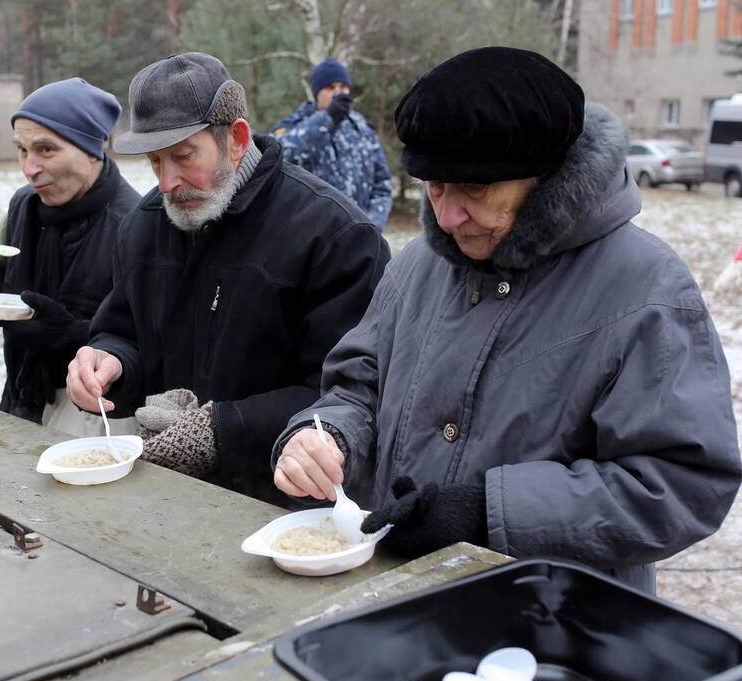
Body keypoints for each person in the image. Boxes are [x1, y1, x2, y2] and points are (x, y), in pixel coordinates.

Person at [272, 47, 742, 594]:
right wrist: (326, 435)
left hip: (554, 627)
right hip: (398, 598)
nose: (447, 217)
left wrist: (491, 512)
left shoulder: (648, 289)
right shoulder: (418, 267)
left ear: (547, 178)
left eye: (474, 188)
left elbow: (681, 484)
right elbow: (357, 387)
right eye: (435, 187)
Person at [67, 52, 388, 503]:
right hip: (167, 492)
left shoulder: (335, 235)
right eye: (155, 162)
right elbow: (125, 331)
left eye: (181, 156)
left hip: (285, 507)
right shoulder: (143, 226)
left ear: (236, 139)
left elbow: (348, 395)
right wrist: (108, 360)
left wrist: (223, 429)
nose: (166, 183)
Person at [0, 78, 140, 434]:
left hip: (99, 418)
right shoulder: (24, 207)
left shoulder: (135, 224)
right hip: (21, 398)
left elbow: (148, 341)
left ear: (93, 149)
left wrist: (72, 335)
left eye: (46, 150)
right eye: (22, 150)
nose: (29, 168)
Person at [272, 58, 394, 231]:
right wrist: (328, 118)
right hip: (313, 238)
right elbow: (280, 156)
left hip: (360, 239)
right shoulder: (294, 125)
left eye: (343, 87)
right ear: (317, 93)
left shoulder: (362, 128)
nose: (338, 93)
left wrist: (372, 226)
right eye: (330, 87)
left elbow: (382, 183)